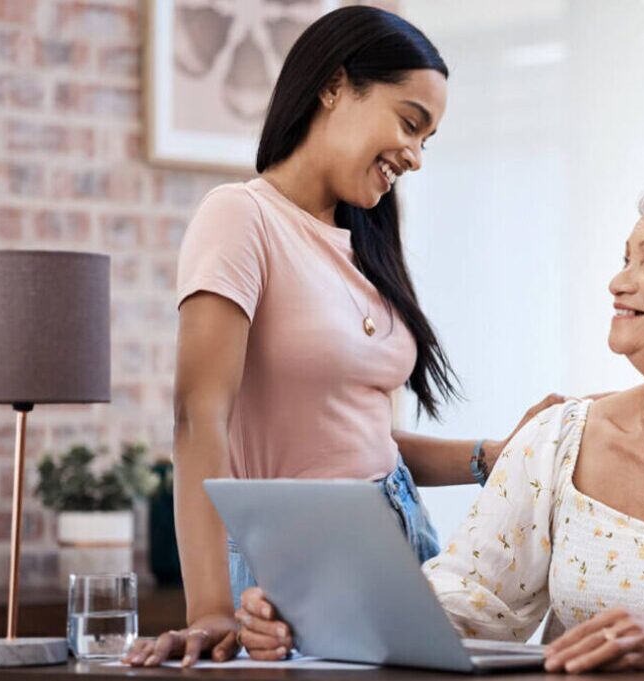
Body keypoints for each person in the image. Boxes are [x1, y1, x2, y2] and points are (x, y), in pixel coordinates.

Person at [239, 171, 644, 673]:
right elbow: (466, 596)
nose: (619, 281)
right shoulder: (559, 438)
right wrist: (313, 616)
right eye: (624, 258)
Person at [124, 6, 560, 668]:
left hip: (402, 542)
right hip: (294, 565)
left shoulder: (368, 248)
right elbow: (197, 417)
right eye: (410, 122)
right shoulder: (241, 218)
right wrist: (209, 609)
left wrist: (490, 456)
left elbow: (358, 443)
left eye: (427, 139)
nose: (415, 155)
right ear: (334, 85)